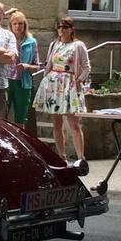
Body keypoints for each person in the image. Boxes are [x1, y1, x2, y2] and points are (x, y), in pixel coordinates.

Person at [33, 16, 90, 163]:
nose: (61, 30)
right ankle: (61, 156)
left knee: (74, 124)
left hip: (69, 85)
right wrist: (45, 82)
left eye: (65, 27)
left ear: (71, 29)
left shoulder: (78, 46)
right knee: (56, 123)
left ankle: (80, 158)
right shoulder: (54, 44)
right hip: (54, 85)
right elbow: (49, 65)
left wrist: (78, 81)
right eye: (59, 27)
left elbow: (86, 67)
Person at [6, 10, 40, 127]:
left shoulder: (31, 42)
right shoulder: (6, 39)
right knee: (1, 115)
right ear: (11, 26)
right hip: (6, 80)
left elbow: (37, 66)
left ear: (25, 25)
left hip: (23, 83)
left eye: (20, 23)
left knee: (20, 118)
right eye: (14, 24)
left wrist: (27, 66)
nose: (17, 26)